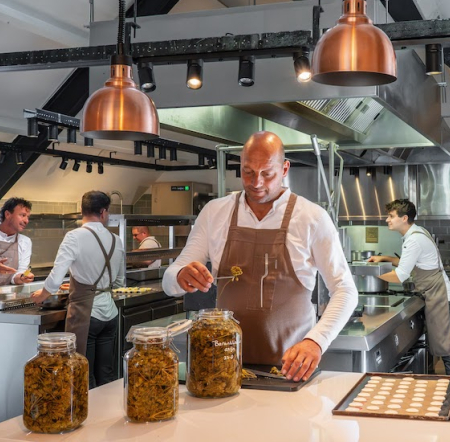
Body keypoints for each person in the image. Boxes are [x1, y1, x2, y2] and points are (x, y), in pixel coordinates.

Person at [163, 131, 358, 382]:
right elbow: (169, 282)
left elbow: (345, 290)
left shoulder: (312, 217)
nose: (256, 182)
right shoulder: (215, 213)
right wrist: (180, 275)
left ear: (285, 168)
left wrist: (315, 341)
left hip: (291, 370)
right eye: (248, 172)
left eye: (267, 173)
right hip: (225, 369)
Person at [31, 191, 125, 388]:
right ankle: (107, 416)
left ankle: (89, 417)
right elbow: (118, 282)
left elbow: (56, 277)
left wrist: (41, 296)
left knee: (83, 372)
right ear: (103, 212)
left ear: (82, 210)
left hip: (86, 315)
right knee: (106, 375)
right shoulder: (116, 240)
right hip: (110, 314)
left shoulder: (74, 236)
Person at [368, 198, 450, 375]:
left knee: (447, 349)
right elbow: (409, 262)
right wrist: (386, 259)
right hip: (438, 292)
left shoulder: (413, 240)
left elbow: (400, 276)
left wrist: (368, 273)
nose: (387, 220)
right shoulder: (417, 233)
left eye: (391, 216)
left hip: (440, 297)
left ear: (404, 218)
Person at [0, 197, 34, 286]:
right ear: (7, 214)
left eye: (28, 217)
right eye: (22, 215)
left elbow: (17, 274)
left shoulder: (25, 242)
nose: (26, 221)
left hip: (5, 295)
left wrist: (22, 277)